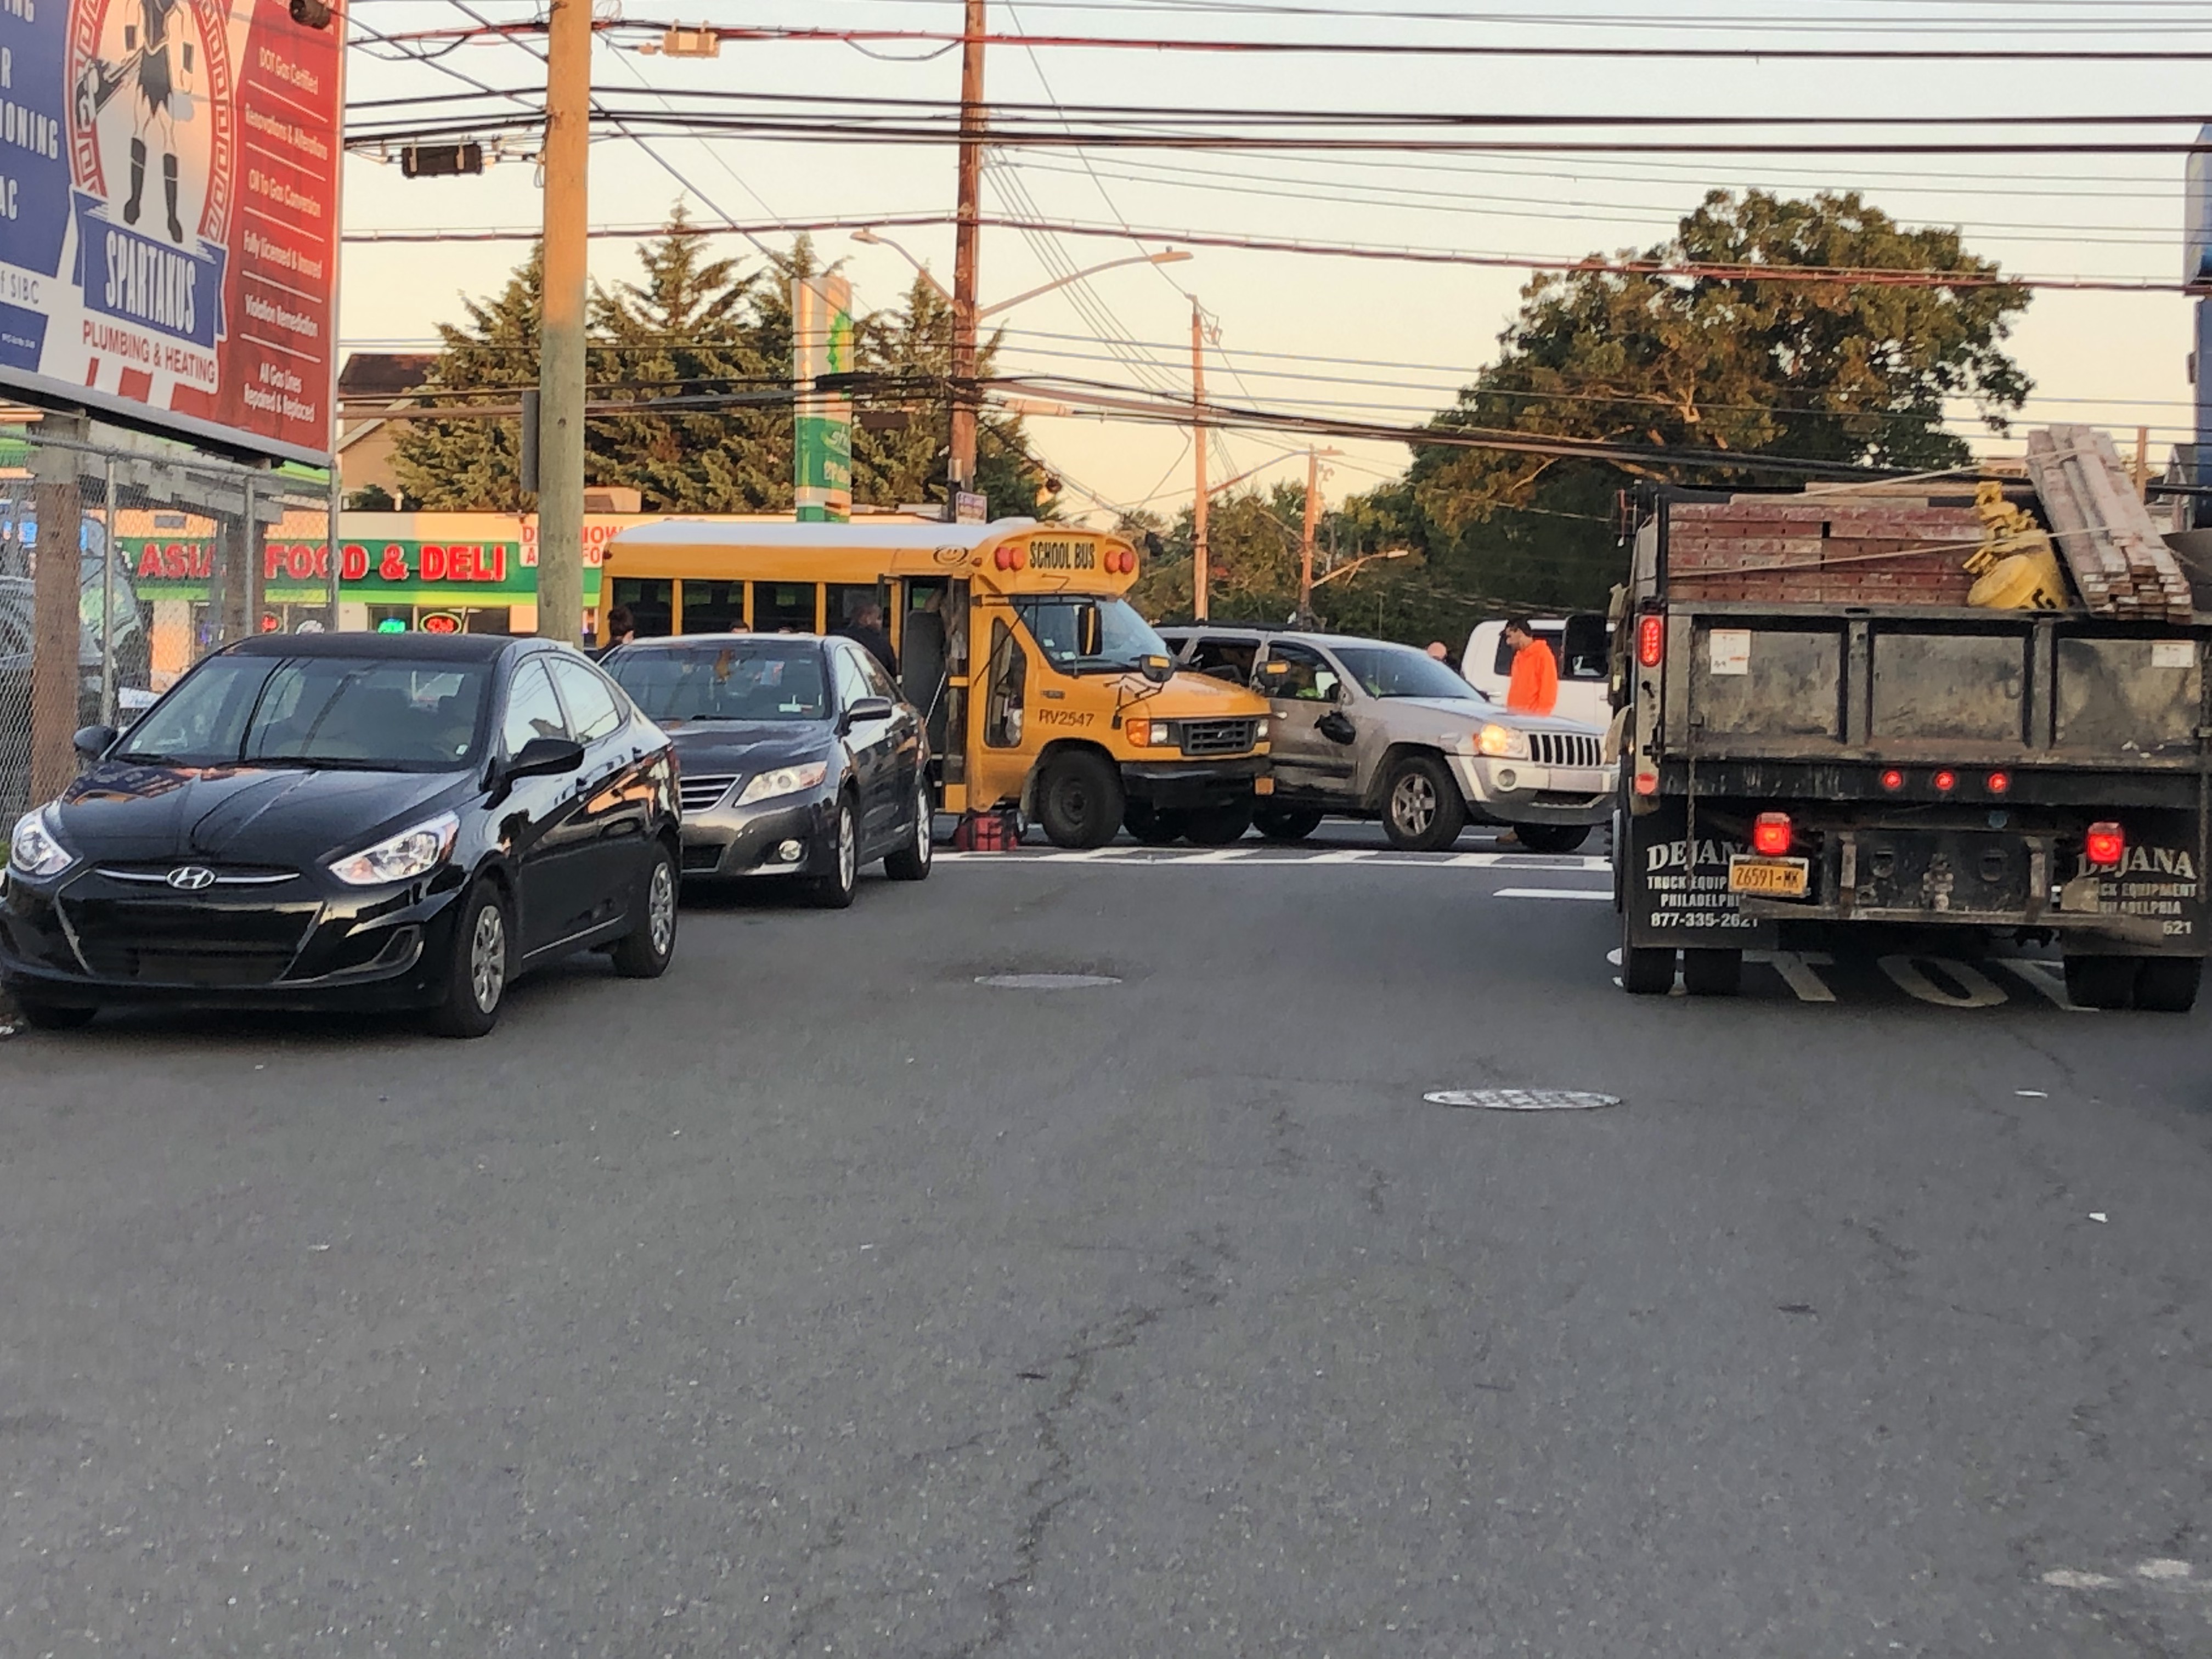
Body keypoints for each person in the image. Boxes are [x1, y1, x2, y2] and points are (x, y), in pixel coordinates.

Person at [1502, 616, 1558, 715]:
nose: (1508, 642)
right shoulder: (1518, 657)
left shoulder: (1543, 655)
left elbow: (1549, 690)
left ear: (1519, 632)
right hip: (1514, 717)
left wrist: (1539, 717)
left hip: (1531, 719)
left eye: (1509, 636)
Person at [838, 600, 900, 678]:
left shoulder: (838, 638)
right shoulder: (882, 645)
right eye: (879, 618)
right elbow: (892, 674)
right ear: (867, 619)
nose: (881, 623)